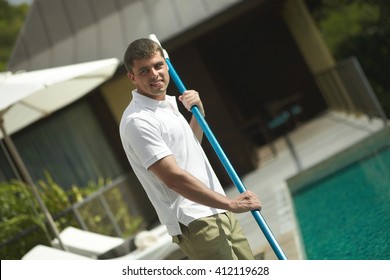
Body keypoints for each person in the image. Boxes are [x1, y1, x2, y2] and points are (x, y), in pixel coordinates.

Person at [119, 38, 261, 260]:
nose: (155, 74)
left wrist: (198, 114)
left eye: (158, 65)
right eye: (144, 70)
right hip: (194, 220)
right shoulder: (138, 120)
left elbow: (188, 148)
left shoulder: (166, 104)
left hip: (216, 209)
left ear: (166, 65)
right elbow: (172, 178)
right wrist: (230, 203)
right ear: (132, 77)